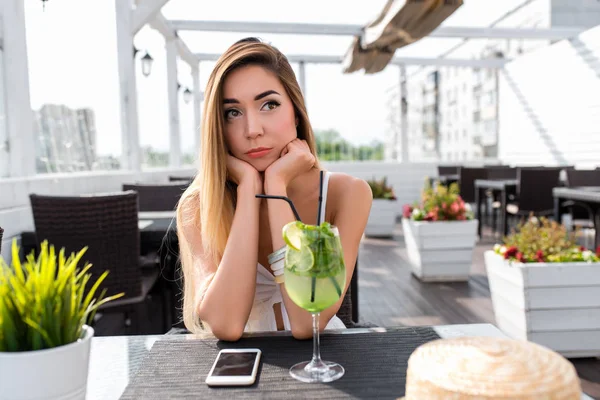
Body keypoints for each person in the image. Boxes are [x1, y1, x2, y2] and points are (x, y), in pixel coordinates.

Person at [176, 37, 372, 341]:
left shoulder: (347, 194)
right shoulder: (198, 205)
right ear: (218, 127)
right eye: (232, 113)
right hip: (243, 373)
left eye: (269, 105)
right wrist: (249, 190)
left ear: (295, 112)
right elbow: (226, 325)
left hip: (322, 366)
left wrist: (276, 185)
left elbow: (307, 323)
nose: (252, 129)